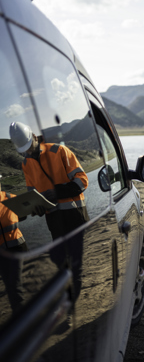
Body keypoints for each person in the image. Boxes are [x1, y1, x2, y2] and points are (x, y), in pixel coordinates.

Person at [9, 121, 89, 240]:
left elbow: (82, 181)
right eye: (25, 150)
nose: (29, 152)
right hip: (54, 223)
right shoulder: (26, 165)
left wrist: (58, 192)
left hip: (76, 215)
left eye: (30, 146)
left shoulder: (59, 150)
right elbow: (33, 196)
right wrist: (37, 209)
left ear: (35, 137)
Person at [0, 173, 28, 313]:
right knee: (11, 285)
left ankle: (23, 318)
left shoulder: (11, 198)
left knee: (15, 285)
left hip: (18, 247)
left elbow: (24, 214)